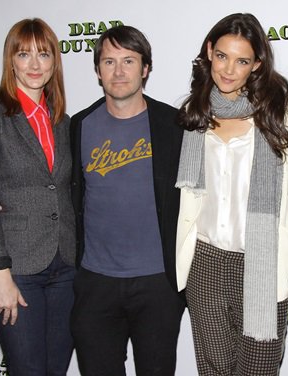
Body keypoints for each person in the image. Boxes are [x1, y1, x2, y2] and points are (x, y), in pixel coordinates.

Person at [175, 13, 288, 375]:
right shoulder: (193, 115)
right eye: (222, 56)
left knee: (258, 369)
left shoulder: (281, 115)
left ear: (257, 64)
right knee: (214, 369)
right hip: (206, 262)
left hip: (261, 263)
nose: (229, 70)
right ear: (209, 52)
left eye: (242, 60)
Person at [69, 25, 185, 375]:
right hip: (95, 283)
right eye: (109, 62)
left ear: (145, 68)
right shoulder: (79, 126)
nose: (118, 72)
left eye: (129, 61)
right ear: (97, 71)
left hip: (158, 284)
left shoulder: (174, 125)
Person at [0, 18, 76, 376]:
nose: (34, 65)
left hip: (66, 268)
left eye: (43, 55)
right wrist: (0, 275)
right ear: (10, 60)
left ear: (54, 62)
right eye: (23, 54)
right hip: (16, 269)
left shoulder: (65, 122)